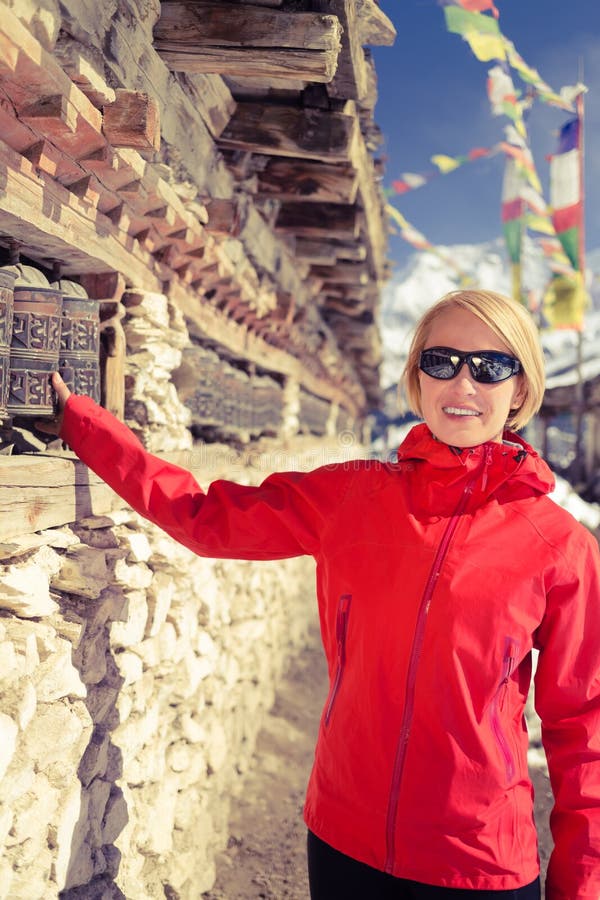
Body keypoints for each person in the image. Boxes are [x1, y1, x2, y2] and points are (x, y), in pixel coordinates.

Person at [39, 289, 600, 899]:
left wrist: (581, 887)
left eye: (490, 366)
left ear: (520, 389)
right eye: (442, 361)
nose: (464, 383)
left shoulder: (559, 545)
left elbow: (584, 729)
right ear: (417, 377)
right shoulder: (351, 499)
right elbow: (204, 517)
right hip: (343, 840)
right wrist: (87, 428)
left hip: (477, 862)